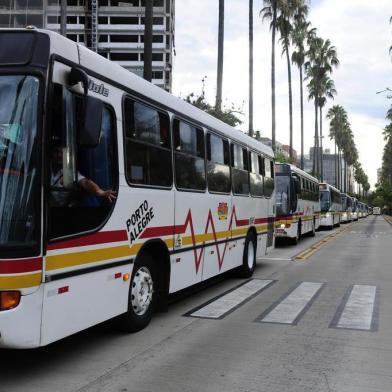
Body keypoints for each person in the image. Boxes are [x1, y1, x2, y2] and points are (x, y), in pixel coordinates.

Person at [50, 145, 116, 206]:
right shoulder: (44, 168)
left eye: (62, 153)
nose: (59, 155)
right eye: (56, 151)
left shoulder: (70, 173)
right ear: (52, 153)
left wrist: (99, 191)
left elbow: (86, 183)